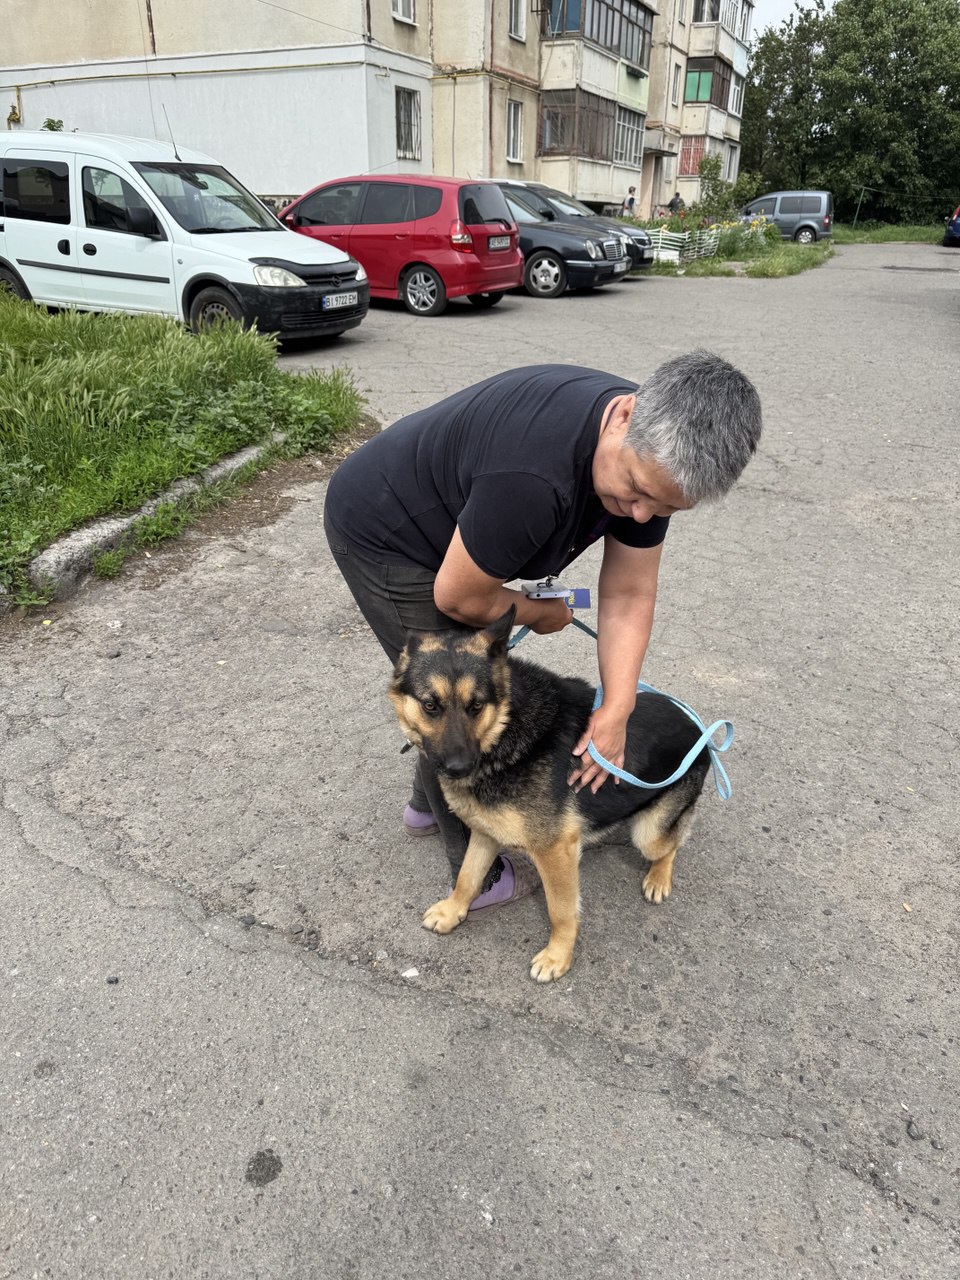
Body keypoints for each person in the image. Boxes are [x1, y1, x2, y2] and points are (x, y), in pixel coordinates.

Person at [323, 354, 762, 912]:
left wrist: (619, 705)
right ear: (625, 414)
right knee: (446, 687)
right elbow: (458, 596)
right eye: (633, 488)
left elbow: (628, 594)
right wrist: (530, 610)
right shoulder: (534, 477)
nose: (639, 513)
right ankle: (477, 876)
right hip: (388, 532)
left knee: (465, 693)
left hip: (468, 526)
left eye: (664, 506)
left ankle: (423, 806)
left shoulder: (656, 453)